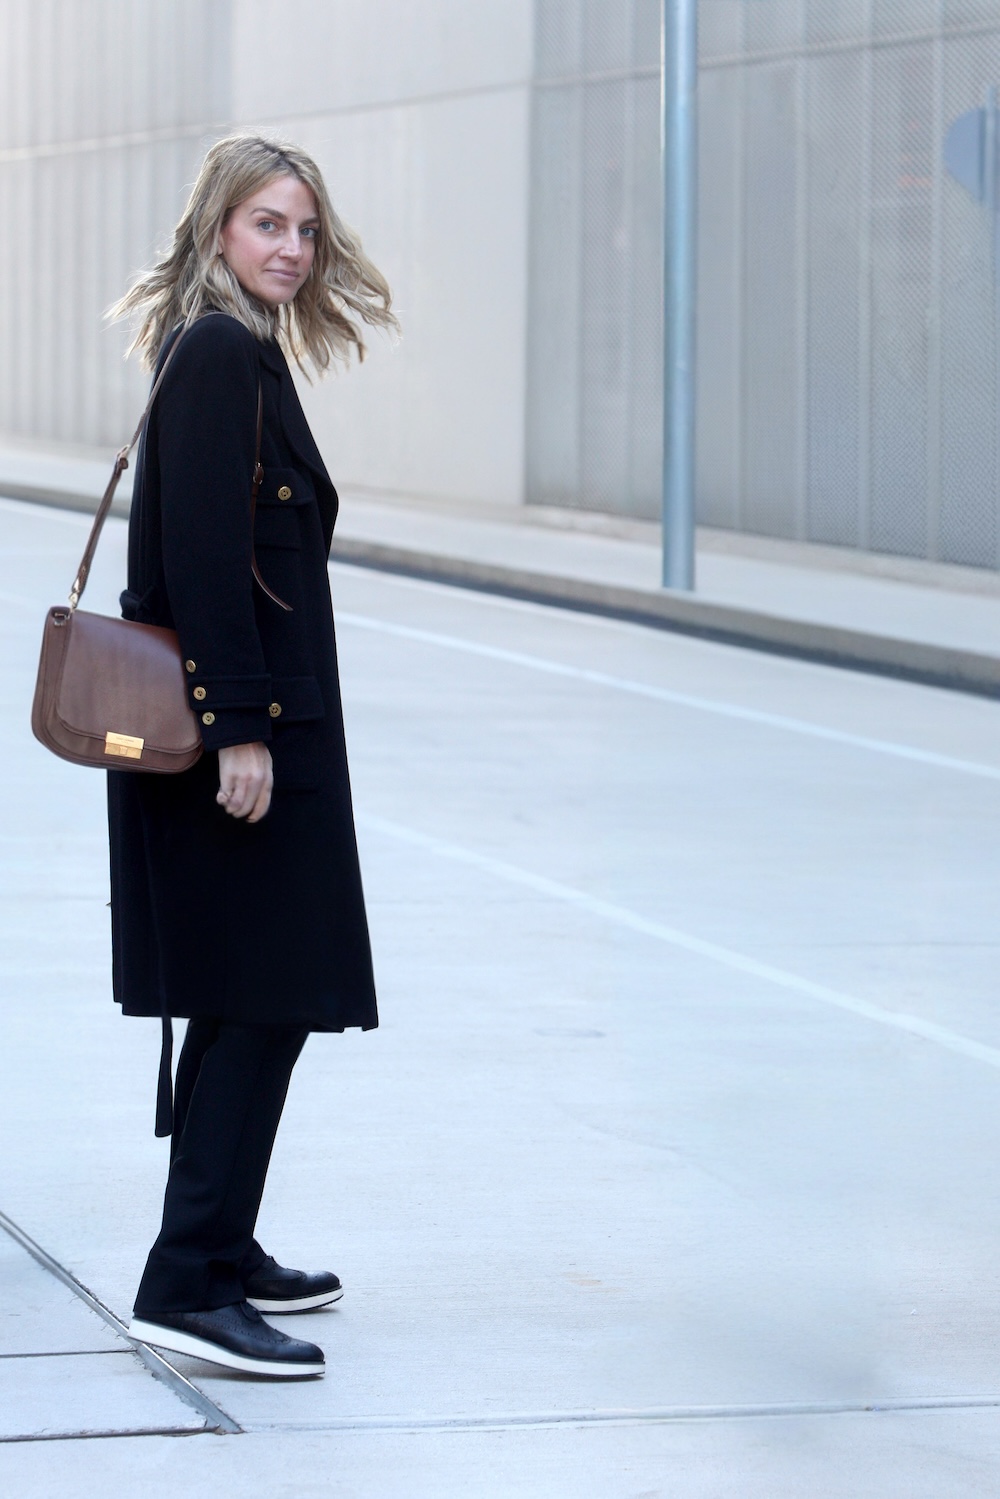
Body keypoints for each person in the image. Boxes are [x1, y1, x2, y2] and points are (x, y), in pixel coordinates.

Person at [106, 134, 396, 1378]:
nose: (292, 248)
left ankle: (219, 1248)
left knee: (250, 995)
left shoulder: (233, 349)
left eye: (306, 229)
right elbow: (209, 563)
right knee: (263, 996)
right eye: (268, 223)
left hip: (264, 725)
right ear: (217, 227)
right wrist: (239, 729)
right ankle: (185, 1280)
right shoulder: (219, 352)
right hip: (241, 736)